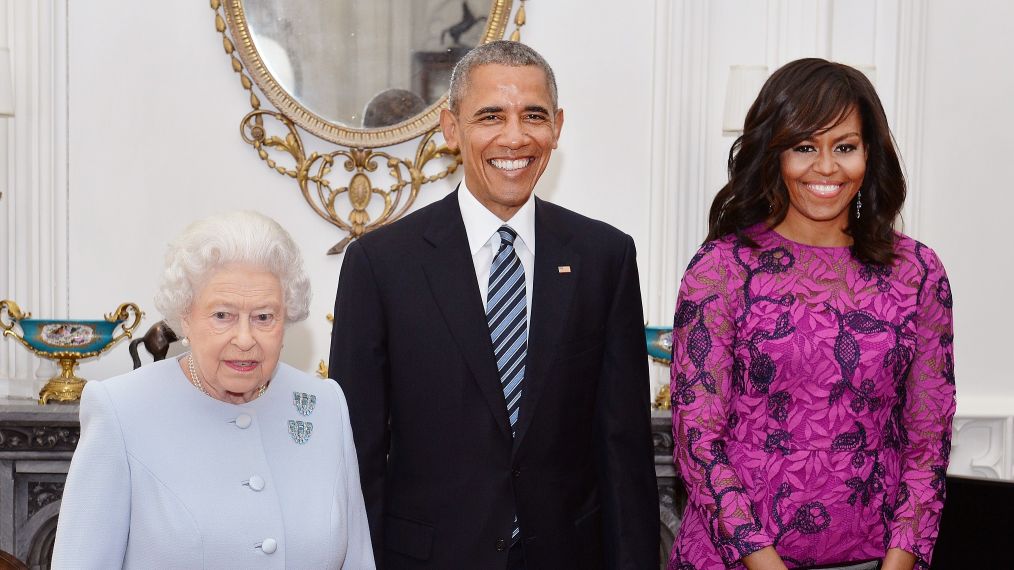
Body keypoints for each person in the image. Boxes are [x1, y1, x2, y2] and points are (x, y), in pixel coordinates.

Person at [329, 40, 659, 569]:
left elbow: (623, 450)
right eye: (490, 116)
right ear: (451, 128)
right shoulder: (380, 263)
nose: (515, 136)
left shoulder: (604, 257)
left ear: (557, 126)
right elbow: (357, 454)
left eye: (533, 115)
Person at [667, 58, 955, 570]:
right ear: (773, 155)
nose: (826, 167)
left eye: (844, 147)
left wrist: (899, 564)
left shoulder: (918, 273)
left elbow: (927, 446)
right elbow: (698, 444)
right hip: (733, 562)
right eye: (805, 147)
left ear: (870, 154)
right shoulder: (722, 269)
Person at [52, 211, 375, 569]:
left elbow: (358, 560)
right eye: (222, 315)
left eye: (264, 317)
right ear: (185, 316)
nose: (245, 339)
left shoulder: (324, 405)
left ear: (288, 318)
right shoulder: (121, 410)